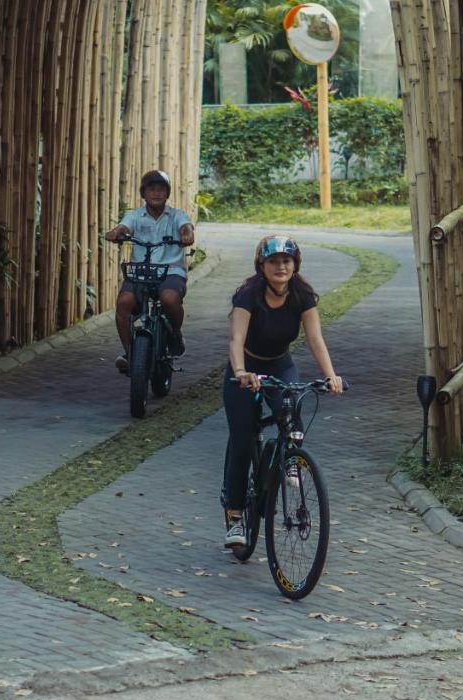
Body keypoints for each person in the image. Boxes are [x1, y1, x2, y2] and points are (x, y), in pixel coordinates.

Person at [222, 235, 343, 548]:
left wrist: (330, 376)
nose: (280, 266)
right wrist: (240, 373)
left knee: (292, 405)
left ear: (295, 265)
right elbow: (236, 340)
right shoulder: (249, 295)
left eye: (286, 261)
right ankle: (235, 516)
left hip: (279, 363)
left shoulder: (302, 295)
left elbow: (315, 339)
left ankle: (291, 457)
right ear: (261, 266)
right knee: (241, 439)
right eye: (273, 261)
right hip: (246, 367)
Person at [104, 169, 195, 372]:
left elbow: (186, 227)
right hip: (141, 271)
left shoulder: (177, 215)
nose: (156, 193)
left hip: (170, 271)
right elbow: (124, 228)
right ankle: (129, 353)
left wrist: (187, 233)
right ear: (143, 193)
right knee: (123, 303)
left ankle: (175, 334)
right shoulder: (135, 216)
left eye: (161, 189)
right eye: (151, 189)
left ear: (167, 193)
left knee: (169, 298)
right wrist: (116, 233)